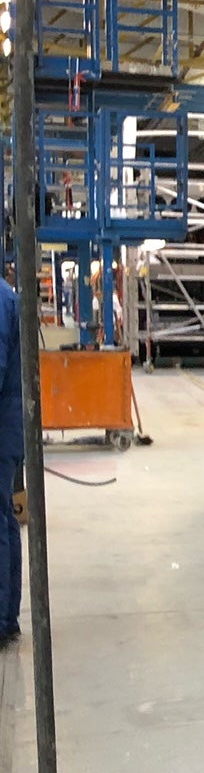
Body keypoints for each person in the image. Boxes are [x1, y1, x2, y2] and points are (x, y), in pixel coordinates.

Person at [0, 269, 20, 643]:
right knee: (5, 519)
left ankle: (1, 620)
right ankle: (7, 615)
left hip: (3, 428)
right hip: (10, 426)